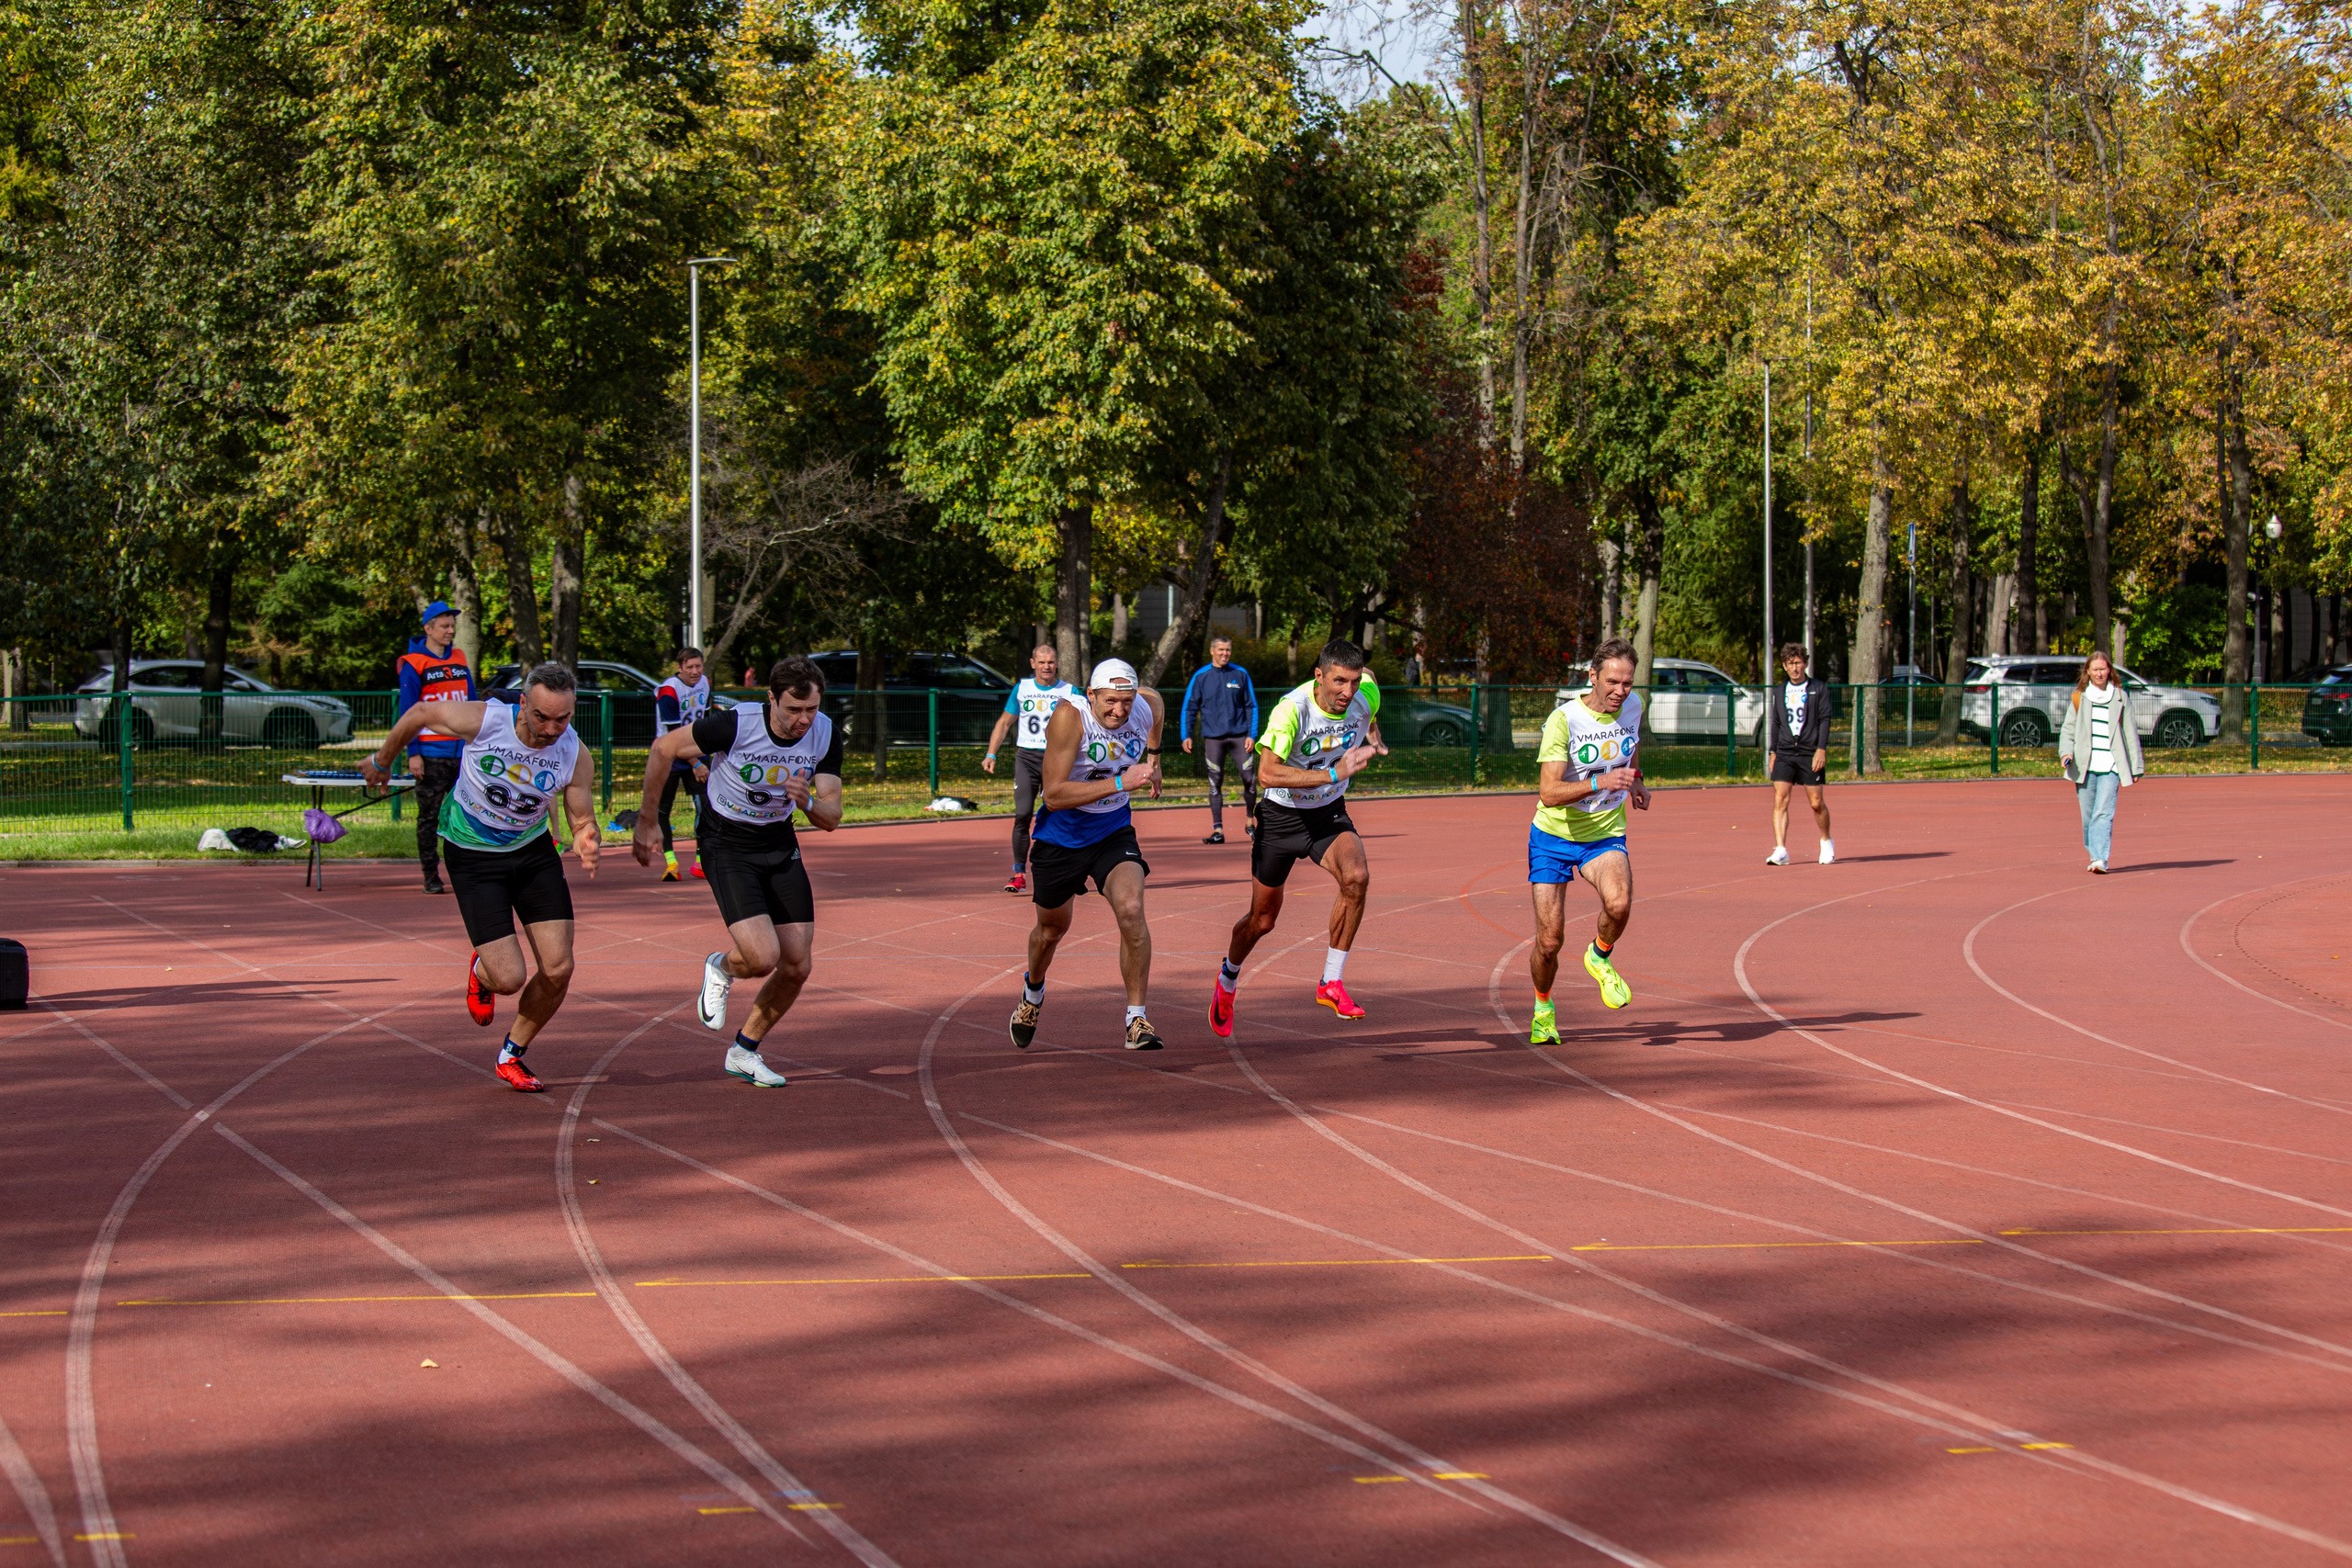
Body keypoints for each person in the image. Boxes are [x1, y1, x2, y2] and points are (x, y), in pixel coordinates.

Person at [361, 663, 600, 1091]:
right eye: (542, 716)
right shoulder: (486, 720)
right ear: (523, 703)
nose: (551, 729)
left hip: (532, 853)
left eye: (562, 718)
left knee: (559, 967)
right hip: (472, 857)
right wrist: (383, 760)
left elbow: (581, 817)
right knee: (508, 979)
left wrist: (587, 838)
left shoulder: (574, 753)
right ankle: (484, 969)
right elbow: (418, 712)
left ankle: (512, 1054)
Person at [634, 656, 843, 1088]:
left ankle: (744, 1051)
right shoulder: (735, 724)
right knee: (762, 957)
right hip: (725, 841)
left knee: (797, 965)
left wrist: (806, 803)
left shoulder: (824, 734)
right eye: (793, 710)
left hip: (778, 842)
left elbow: (832, 815)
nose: (803, 719)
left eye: (811, 709)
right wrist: (647, 819)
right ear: (771, 699)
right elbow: (663, 749)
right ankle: (721, 967)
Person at [1207, 638, 1387, 1037]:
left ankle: (1331, 981)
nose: (1348, 691)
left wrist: (1373, 733)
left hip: (1327, 813)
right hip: (1281, 815)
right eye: (1339, 681)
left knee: (1356, 877)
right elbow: (1268, 773)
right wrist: (1333, 774)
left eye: (1354, 682)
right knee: (1263, 920)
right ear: (1318, 676)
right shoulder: (1293, 710)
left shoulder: (1365, 693)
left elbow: (1372, 683)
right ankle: (1228, 979)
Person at [1009, 659, 1165, 1052]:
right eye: (1111, 701)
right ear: (1091, 695)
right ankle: (1032, 994)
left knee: (1131, 908)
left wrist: (1155, 759)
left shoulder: (1142, 705)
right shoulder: (1069, 717)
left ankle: (1136, 1020)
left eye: (1126, 702)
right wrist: (1120, 782)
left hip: (1112, 829)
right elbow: (1055, 795)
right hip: (1061, 836)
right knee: (1051, 931)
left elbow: (1157, 704)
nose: (1120, 711)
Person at [1525, 638, 1651, 1044]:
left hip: (1604, 832)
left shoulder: (1634, 707)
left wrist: (1637, 782)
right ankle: (1543, 1007)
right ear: (1592, 676)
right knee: (1549, 941)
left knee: (1619, 903)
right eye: (1612, 681)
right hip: (1553, 836)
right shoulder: (1564, 721)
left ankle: (1599, 955)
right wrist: (1599, 781)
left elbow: (1630, 747)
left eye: (1628, 683)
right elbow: (1548, 791)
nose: (1620, 691)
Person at [981, 643, 1078, 894]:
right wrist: (991, 753)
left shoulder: (1069, 691)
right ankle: (1019, 874)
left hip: (1056, 760)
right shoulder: (1022, 689)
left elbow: (1087, 723)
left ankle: (1069, 871)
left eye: (1051, 662)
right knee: (1023, 814)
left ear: (1057, 664)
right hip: (1026, 757)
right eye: (1042, 662)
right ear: (1033, 663)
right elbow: (1004, 724)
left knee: (1060, 815)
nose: (1047, 666)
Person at [396, 601, 477, 895]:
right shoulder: (413, 663)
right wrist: (413, 752)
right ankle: (431, 874)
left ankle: (466, 871)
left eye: (452, 625)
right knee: (429, 817)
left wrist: (475, 738)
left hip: (462, 751)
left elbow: (472, 701)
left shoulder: (459, 657)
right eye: (444, 626)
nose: (449, 630)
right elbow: (408, 713)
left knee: (465, 815)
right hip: (430, 754)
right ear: (428, 629)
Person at [2058, 649, 2143, 874]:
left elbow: (2130, 732)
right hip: (2085, 766)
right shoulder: (2080, 697)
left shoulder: (2121, 697)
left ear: (2109, 670)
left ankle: (2100, 859)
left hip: (2111, 765)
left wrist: (2136, 766)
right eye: (2094, 669)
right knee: (2088, 816)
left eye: (2103, 669)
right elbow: (2067, 730)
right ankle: (2094, 853)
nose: (2099, 673)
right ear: (2088, 671)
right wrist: (2065, 753)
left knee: (2103, 813)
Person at [1181, 635, 1260, 844]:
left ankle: (1250, 823)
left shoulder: (1240, 674)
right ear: (1212, 651)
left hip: (1240, 737)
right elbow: (1190, 707)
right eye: (1221, 650)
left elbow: (1251, 706)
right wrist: (1186, 734)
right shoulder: (1201, 676)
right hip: (1213, 738)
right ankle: (1218, 830)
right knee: (1215, 783)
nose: (1225, 654)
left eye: (1228, 650)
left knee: (1250, 780)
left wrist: (1252, 735)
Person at [1763, 642, 1834, 866]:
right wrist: (1773, 751)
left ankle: (1825, 841)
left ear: (1805, 663)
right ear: (1784, 666)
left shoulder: (1819, 688)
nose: (1795, 668)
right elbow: (1775, 721)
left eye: (1798, 663)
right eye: (1790, 664)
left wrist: (1820, 749)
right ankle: (1781, 849)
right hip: (1785, 751)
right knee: (1780, 799)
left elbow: (1824, 720)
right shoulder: (1780, 690)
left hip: (1809, 751)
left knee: (1816, 803)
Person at [652, 647, 713, 882]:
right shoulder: (669, 691)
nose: (695, 671)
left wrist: (707, 753)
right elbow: (673, 734)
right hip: (668, 754)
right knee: (663, 810)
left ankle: (700, 861)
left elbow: (706, 720)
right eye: (690, 667)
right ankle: (671, 863)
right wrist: (696, 762)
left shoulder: (705, 683)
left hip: (696, 752)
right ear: (679, 668)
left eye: (698, 666)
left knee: (705, 808)